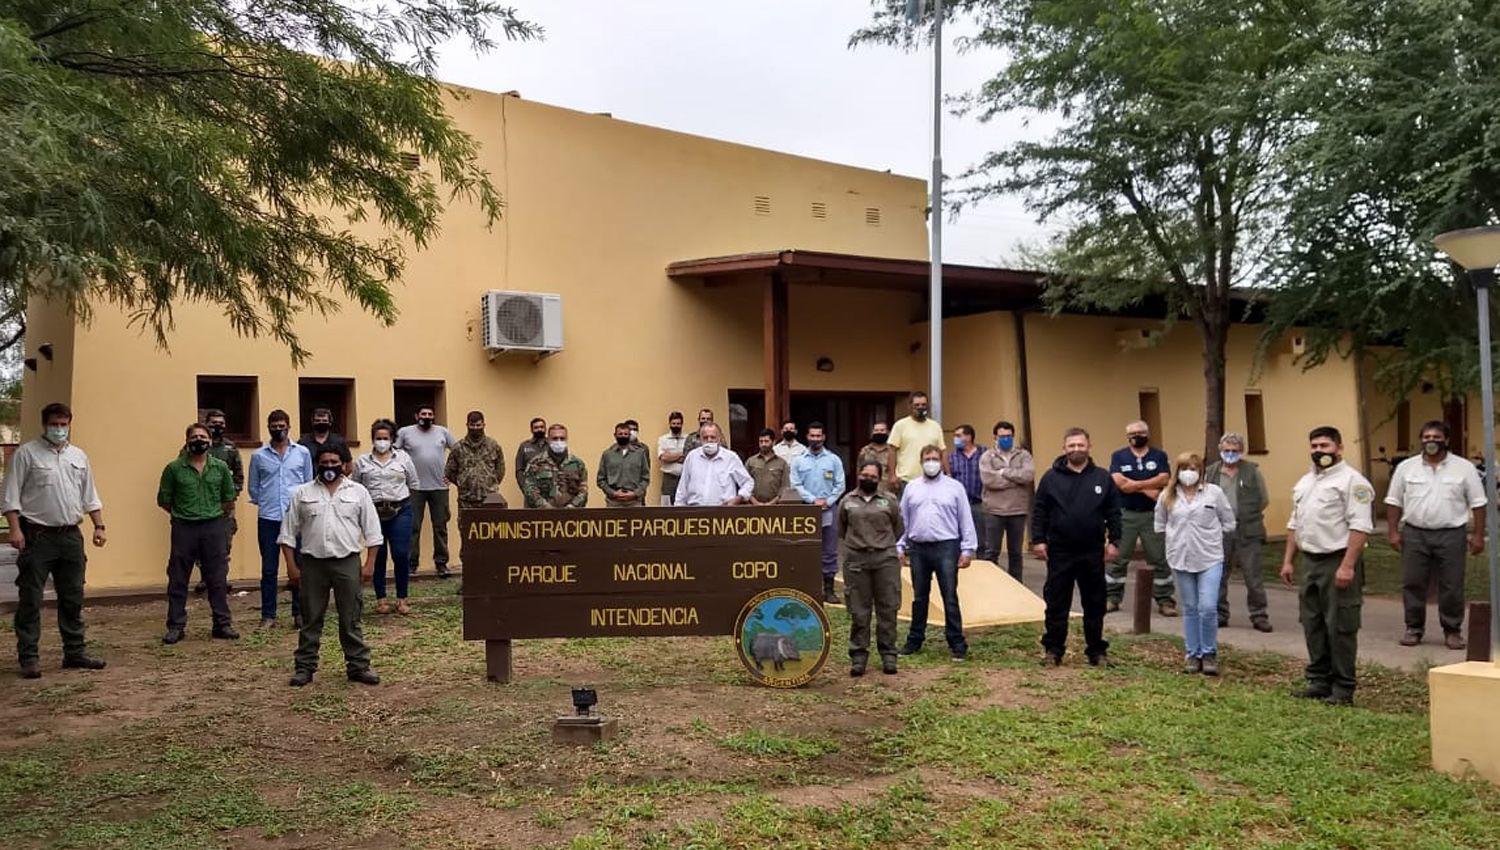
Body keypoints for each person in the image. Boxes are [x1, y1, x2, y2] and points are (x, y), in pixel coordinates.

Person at [3, 402, 108, 679]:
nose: (59, 429)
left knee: (73, 596)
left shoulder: (78, 456)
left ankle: (74, 653)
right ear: (45, 424)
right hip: (38, 536)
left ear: (69, 424)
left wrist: (99, 526)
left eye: (64, 424)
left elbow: (89, 496)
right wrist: (15, 530)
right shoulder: (27, 454)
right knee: (31, 598)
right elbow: (10, 497)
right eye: (54, 424)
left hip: (71, 535)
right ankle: (29, 657)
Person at [1280, 425, 1375, 706]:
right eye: (1314, 446)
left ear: (1339, 448)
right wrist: (1288, 560)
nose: (1319, 451)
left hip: (1337, 559)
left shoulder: (1353, 482)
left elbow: (1360, 527)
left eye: (1325, 446)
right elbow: (1294, 524)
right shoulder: (1305, 482)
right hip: (1310, 560)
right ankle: (1319, 681)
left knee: (1340, 625)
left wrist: (1347, 566)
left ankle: (1343, 687)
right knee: (1313, 623)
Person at [280, 446, 384, 687]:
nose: (329, 466)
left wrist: (369, 565)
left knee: (351, 617)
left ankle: (358, 666)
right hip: (312, 564)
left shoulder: (358, 492)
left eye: (334, 461)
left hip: (347, 562)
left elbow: (373, 533)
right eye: (324, 462)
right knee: (310, 618)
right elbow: (287, 533)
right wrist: (292, 567)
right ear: (317, 464)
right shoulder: (302, 493)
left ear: (344, 465)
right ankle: (304, 668)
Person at [1385, 420, 1485, 650]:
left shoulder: (1464, 468)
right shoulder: (1406, 467)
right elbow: (1393, 501)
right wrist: (1392, 532)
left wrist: (1478, 536)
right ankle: (1414, 628)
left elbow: (1478, 503)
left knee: (1451, 584)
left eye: (1436, 437)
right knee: (1413, 582)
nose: (1431, 441)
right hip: (1414, 534)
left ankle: (1452, 631)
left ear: (1446, 441)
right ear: (1421, 440)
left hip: (1451, 535)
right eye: (1427, 437)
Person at [1030, 427, 1121, 668]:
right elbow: (1039, 511)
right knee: (1057, 602)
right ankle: (1053, 650)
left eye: (1081, 445)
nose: (1076, 449)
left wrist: (1114, 541)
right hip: (1060, 551)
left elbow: (1113, 512)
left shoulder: (1102, 477)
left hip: (1092, 551)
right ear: (1064, 449)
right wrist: (1038, 540)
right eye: (1071, 446)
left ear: (1089, 447)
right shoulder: (1050, 478)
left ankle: (1096, 652)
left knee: (1094, 603)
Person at [1154, 453, 1236, 675]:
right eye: (1184, 468)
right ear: (1177, 471)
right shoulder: (1167, 496)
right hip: (1181, 558)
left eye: (1194, 467)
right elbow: (1160, 524)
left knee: (1208, 607)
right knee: (1190, 608)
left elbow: (1228, 522)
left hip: (1209, 557)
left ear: (1201, 471)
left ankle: (1209, 653)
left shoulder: (1214, 493)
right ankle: (1193, 653)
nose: (1189, 472)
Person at [158, 423, 239, 644]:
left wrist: (212, 515)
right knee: (178, 578)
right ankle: (175, 626)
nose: (199, 440)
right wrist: (184, 513)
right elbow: (164, 500)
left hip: (213, 527)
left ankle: (222, 624)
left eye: (203, 437)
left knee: (217, 578)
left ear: (210, 441)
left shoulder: (220, 468)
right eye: (194, 437)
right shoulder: (174, 469)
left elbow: (228, 499)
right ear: (187, 441)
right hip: (184, 528)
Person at [897, 444, 977, 661]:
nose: (931, 462)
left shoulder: (955, 487)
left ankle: (957, 644)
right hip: (918, 547)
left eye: (935, 458)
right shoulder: (912, 488)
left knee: (949, 596)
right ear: (921, 462)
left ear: (941, 461)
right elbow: (904, 519)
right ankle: (914, 640)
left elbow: (965, 519)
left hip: (946, 547)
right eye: (927, 459)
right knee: (919, 597)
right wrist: (900, 545)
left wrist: (968, 549)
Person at [249, 410, 313, 629]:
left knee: (298, 566)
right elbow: (253, 488)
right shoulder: (258, 456)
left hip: (296, 518)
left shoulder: (302, 453)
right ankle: (268, 615)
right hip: (268, 517)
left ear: (289, 426)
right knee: (269, 568)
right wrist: (267, 501)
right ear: (268, 427)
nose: (278, 429)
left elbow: (308, 484)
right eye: (274, 425)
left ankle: (299, 612)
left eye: (281, 425)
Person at [839, 461, 904, 677]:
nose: (868, 479)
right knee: (859, 610)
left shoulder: (889, 500)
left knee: (888, 607)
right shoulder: (847, 501)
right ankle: (858, 657)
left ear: (879, 478)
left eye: (873, 476)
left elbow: (898, 527)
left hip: (885, 558)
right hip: (856, 560)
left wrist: (881, 544)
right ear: (859, 475)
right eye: (865, 474)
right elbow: (842, 529)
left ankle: (888, 655)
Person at [1107, 421, 1177, 616]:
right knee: (1119, 558)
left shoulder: (1159, 455)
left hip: (1153, 515)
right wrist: (1147, 488)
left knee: (1159, 558)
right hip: (1126, 514)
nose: (1137, 435)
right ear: (1127, 436)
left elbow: (1164, 479)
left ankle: (1165, 601)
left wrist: (1135, 485)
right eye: (1133, 433)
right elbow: (1118, 482)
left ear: (1148, 433)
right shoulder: (1119, 456)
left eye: (1141, 432)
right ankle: (1112, 598)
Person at [1204, 433, 1273, 632]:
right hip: (1218, 531)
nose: (1230, 454)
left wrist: (1246, 515)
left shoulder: (1252, 471)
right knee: (1218, 574)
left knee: (1253, 576)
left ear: (1241, 451)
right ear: (1220, 450)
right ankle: (1219, 613)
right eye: (1226, 450)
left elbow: (1263, 499)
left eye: (1234, 451)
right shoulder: (1211, 473)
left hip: (1248, 530)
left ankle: (1259, 615)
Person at [353, 420, 419, 615]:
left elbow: (413, 483)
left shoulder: (403, 459)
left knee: (400, 554)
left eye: (385, 438)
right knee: (378, 556)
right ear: (372, 439)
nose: (381, 442)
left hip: (400, 510)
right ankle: (381, 598)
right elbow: (356, 487)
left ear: (392, 439)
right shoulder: (362, 462)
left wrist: (405, 506)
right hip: (373, 513)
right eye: (378, 438)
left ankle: (402, 598)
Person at [396, 405, 458, 578]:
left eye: (430, 414)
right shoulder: (405, 432)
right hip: (414, 488)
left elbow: (459, 452)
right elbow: (394, 454)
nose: (427, 416)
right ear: (416, 416)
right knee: (413, 526)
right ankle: (410, 564)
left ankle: (441, 564)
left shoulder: (443, 432)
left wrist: (452, 475)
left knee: (440, 526)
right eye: (424, 414)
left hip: (440, 486)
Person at [793, 422, 846, 604]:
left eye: (818, 436)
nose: (815, 439)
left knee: (829, 550)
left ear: (823, 437)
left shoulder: (833, 460)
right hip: (806, 510)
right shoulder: (799, 460)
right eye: (812, 436)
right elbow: (795, 485)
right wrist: (812, 500)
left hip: (828, 510)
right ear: (807, 437)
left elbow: (840, 485)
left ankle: (829, 589)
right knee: (805, 548)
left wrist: (828, 501)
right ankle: (808, 588)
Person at [979, 420, 1035, 580]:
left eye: (1009, 436)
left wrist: (1003, 472)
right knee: (992, 552)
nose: (1006, 439)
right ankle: (992, 585)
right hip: (994, 511)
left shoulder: (1024, 455)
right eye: (1002, 436)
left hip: (1018, 510)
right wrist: (1015, 479)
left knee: (1016, 553)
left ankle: (1017, 585)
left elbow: (1028, 475)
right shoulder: (987, 456)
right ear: (995, 437)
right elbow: (989, 480)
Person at [674, 422, 752, 506]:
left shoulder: (730, 458)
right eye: (705, 437)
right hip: (695, 512)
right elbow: (682, 489)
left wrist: (738, 499)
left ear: (719, 439)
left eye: (713, 437)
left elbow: (748, 483)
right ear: (700, 439)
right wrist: (678, 511)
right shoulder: (692, 457)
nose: (709, 440)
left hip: (723, 513)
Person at [445, 411, 508, 510]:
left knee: (490, 524)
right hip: (466, 499)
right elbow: (449, 472)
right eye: (472, 425)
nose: (475, 428)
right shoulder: (458, 447)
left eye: (478, 425)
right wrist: (462, 482)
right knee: (466, 525)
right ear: (467, 425)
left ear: (483, 425)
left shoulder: (493, 445)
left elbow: (500, 470)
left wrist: (490, 482)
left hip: (489, 497)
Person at [521, 424, 589, 508]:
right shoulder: (535, 463)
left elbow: (583, 490)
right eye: (555, 438)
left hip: (571, 515)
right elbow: (530, 490)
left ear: (566, 439)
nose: (559, 441)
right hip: (542, 516)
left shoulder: (577, 464)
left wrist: (573, 505)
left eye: (562, 438)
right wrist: (545, 506)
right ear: (548, 440)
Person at [889, 391, 945, 484]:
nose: (920, 408)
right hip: (906, 480)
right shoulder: (900, 425)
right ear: (910, 406)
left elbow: (942, 451)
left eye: (923, 405)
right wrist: (892, 475)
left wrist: (947, 473)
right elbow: (892, 451)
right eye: (917, 405)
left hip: (931, 479)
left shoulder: (935, 426)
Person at [948, 425, 987, 557]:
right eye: (955, 436)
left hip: (979, 503)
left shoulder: (985, 454)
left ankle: (985, 570)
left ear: (969, 437)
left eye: (959, 436)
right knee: (958, 541)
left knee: (983, 542)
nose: (955, 439)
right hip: (958, 505)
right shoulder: (951, 457)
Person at [598, 421, 651, 506]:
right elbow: (600, 479)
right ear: (615, 435)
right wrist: (613, 493)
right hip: (613, 502)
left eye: (625, 434)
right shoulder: (607, 454)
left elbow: (646, 478)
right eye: (620, 434)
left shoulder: (640, 453)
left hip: (634, 502)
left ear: (629, 436)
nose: (623, 436)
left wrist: (635, 493)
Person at [746, 428, 791, 506]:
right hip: (753, 506)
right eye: (761, 441)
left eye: (766, 441)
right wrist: (754, 502)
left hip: (776, 506)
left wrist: (772, 503)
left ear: (773, 442)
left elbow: (785, 486)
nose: (763, 444)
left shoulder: (782, 463)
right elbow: (744, 484)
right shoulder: (751, 461)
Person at [857, 422, 901, 493]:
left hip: (888, 490)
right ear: (872, 433)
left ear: (888, 432)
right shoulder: (865, 451)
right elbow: (859, 470)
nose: (879, 432)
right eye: (876, 430)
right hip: (868, 489)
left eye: (882, 430)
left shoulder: (893, 451)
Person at [657, 411, 688, 506]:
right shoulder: (663, 439)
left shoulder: (688, 438)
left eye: (678, 424)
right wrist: (680, 455)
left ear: (682, 424)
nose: (676, 426)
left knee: (685, 504)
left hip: (684, 477)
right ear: (669, 424)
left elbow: (689, 457)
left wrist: (671, 456)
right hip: (668, 478)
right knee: (667, 506)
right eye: (673, 423)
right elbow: (663, 458)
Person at [516, 417, 549, 482]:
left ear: (545, 429)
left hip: (551, 486)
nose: (539, 429)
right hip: (531, 486)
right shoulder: (524, 446)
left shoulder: (552, 445)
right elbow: (519, 469)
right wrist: (524, 487)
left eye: (542, 427)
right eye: (536, 428)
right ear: (531, 430)